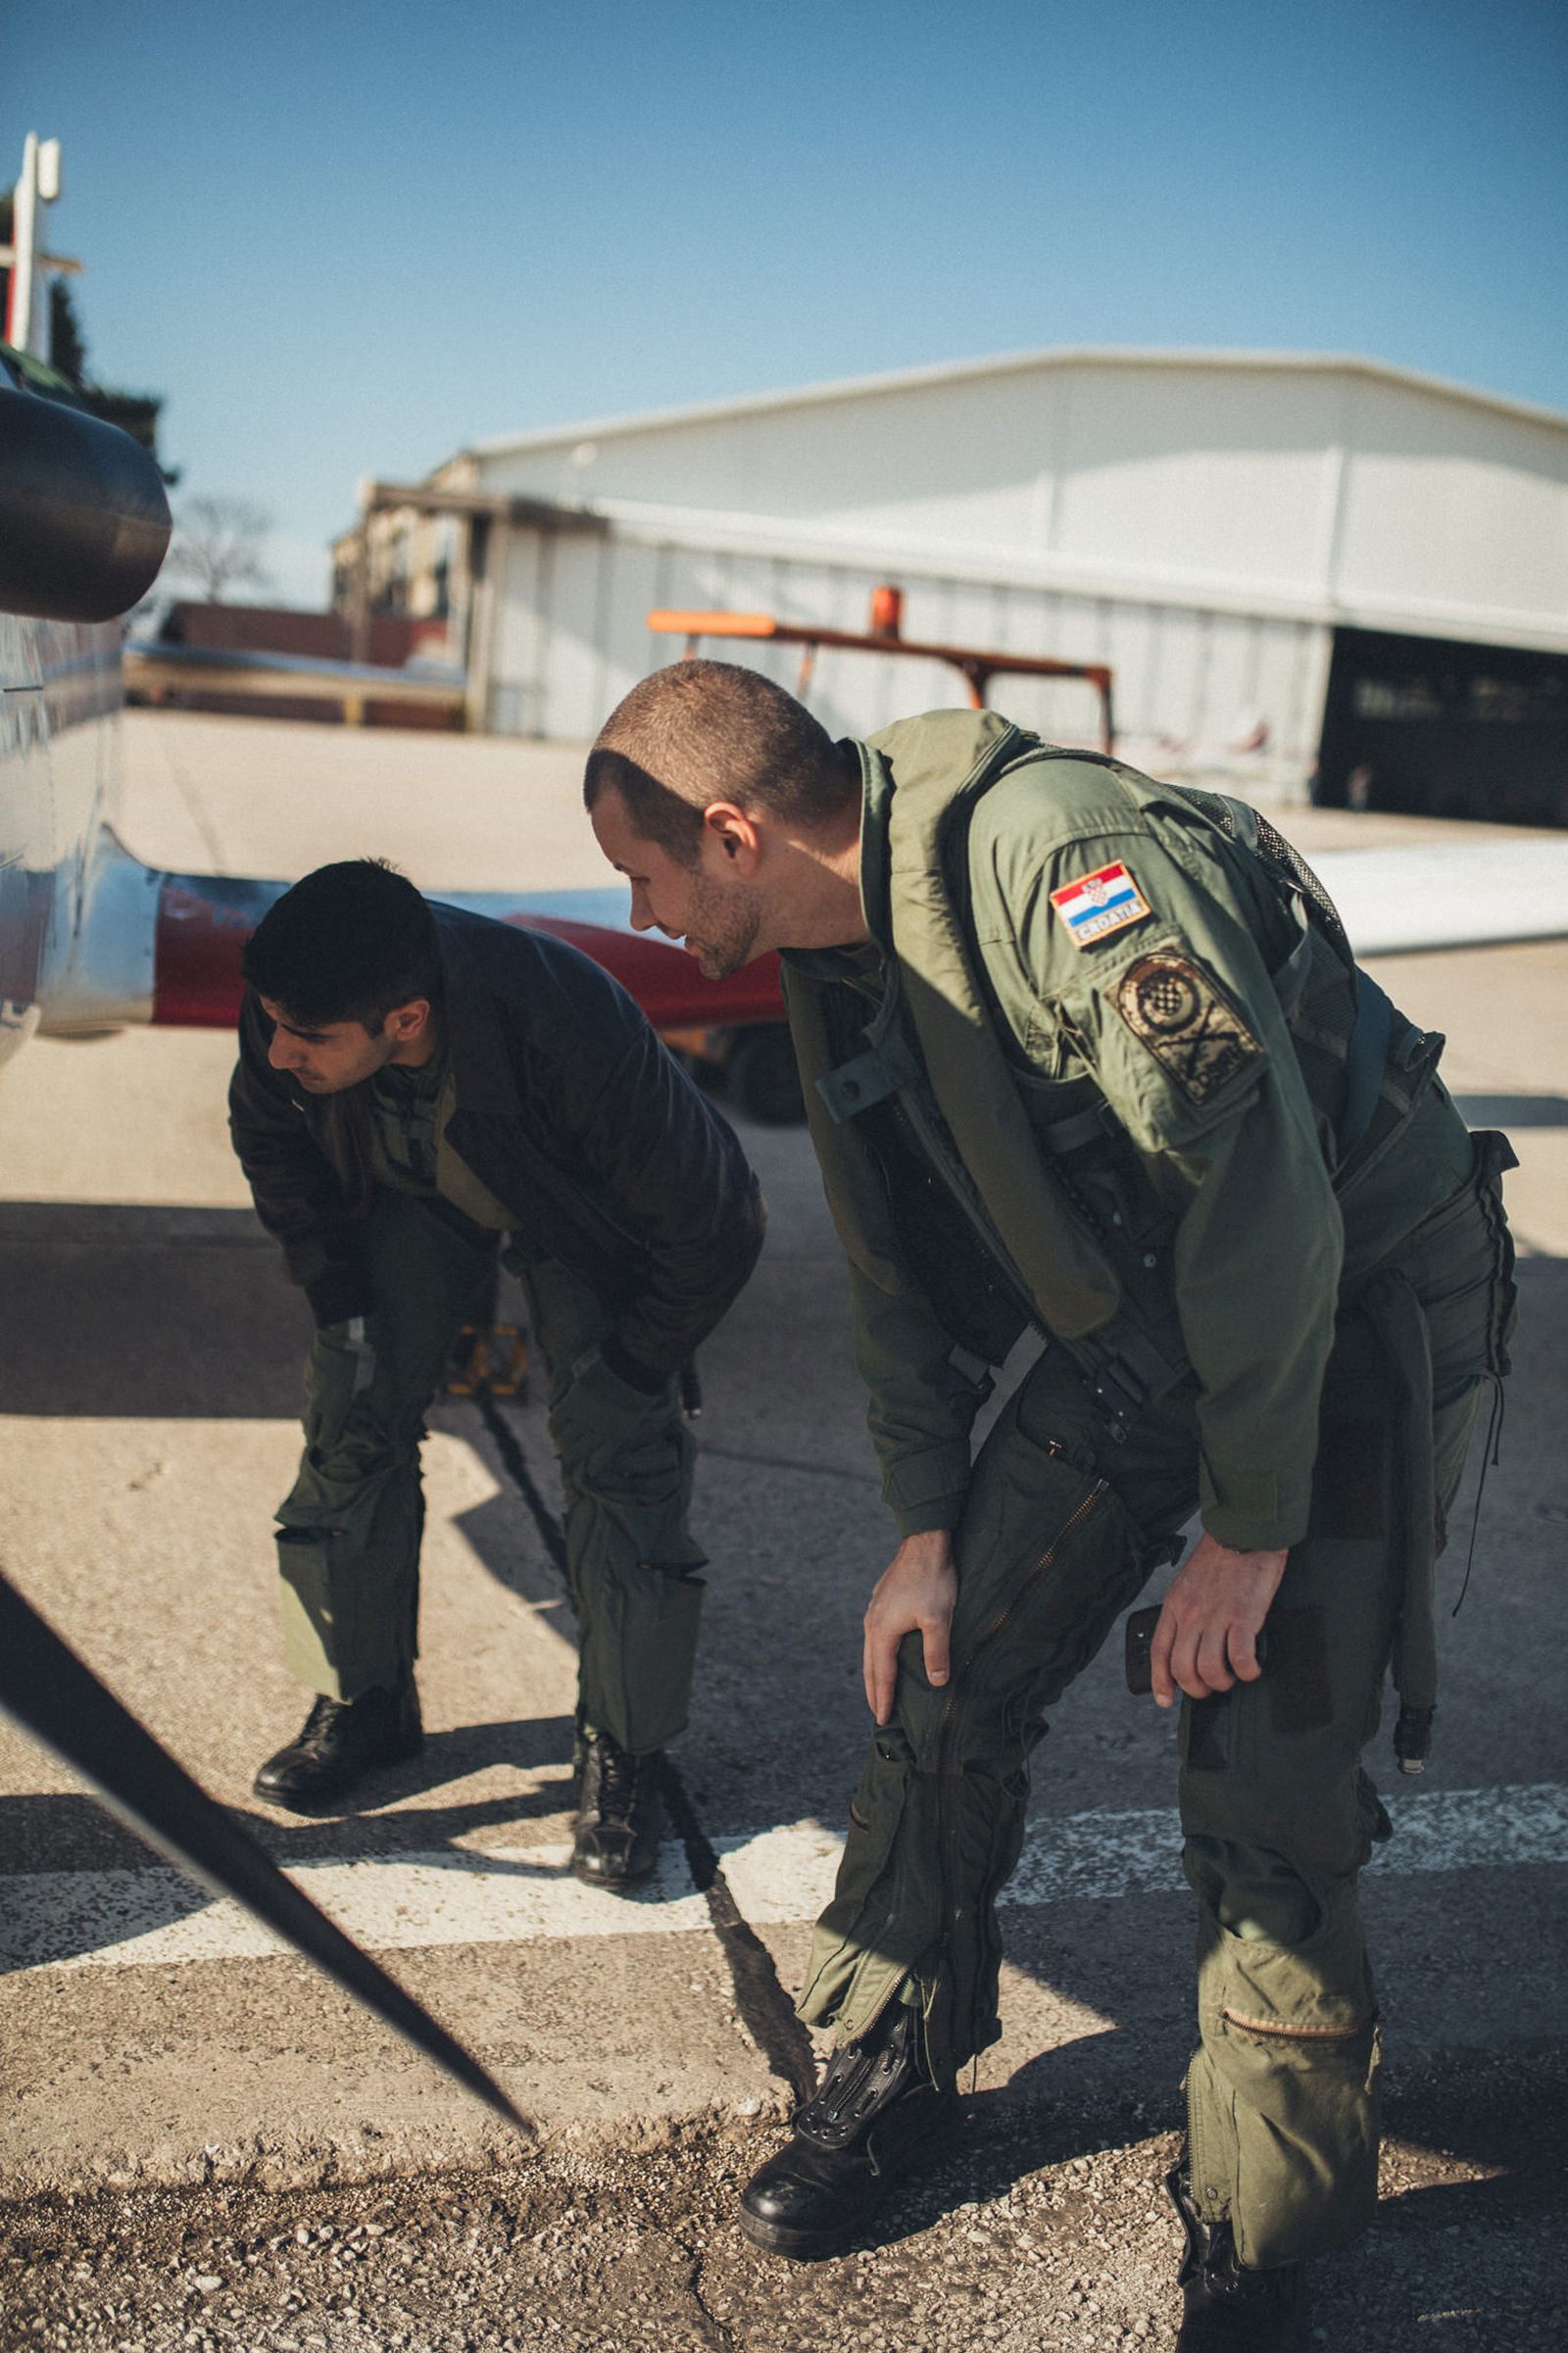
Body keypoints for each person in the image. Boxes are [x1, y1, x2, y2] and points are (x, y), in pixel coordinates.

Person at [583, 662, 1517, 2348]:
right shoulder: (832, 947)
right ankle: (896, 2070)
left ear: (735, 831)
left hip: (1355, 1310)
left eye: (646, 877)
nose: (635, 915)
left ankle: (1264, 2227)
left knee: (1264, 1766)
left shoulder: (1058, 865)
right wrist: (928, 1531)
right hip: (1152, 1315)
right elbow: (887, 1267)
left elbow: (1266, 1208)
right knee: (942, 1667)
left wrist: (1250, 1523)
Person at [230, 859, 763, 1884]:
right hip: (412, 1192)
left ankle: (622, 1747)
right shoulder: (297, 1001)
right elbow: (273, 1145)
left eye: (306, 1040)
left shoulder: (567, 1026)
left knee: (618, 1452)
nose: (277, 1051)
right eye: (272, 1027)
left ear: (406, 1018)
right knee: (351, 1412)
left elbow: (716, 1219)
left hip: (578, 1217)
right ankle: (366, 1702)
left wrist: (639, 1356)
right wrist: (340, 1300)